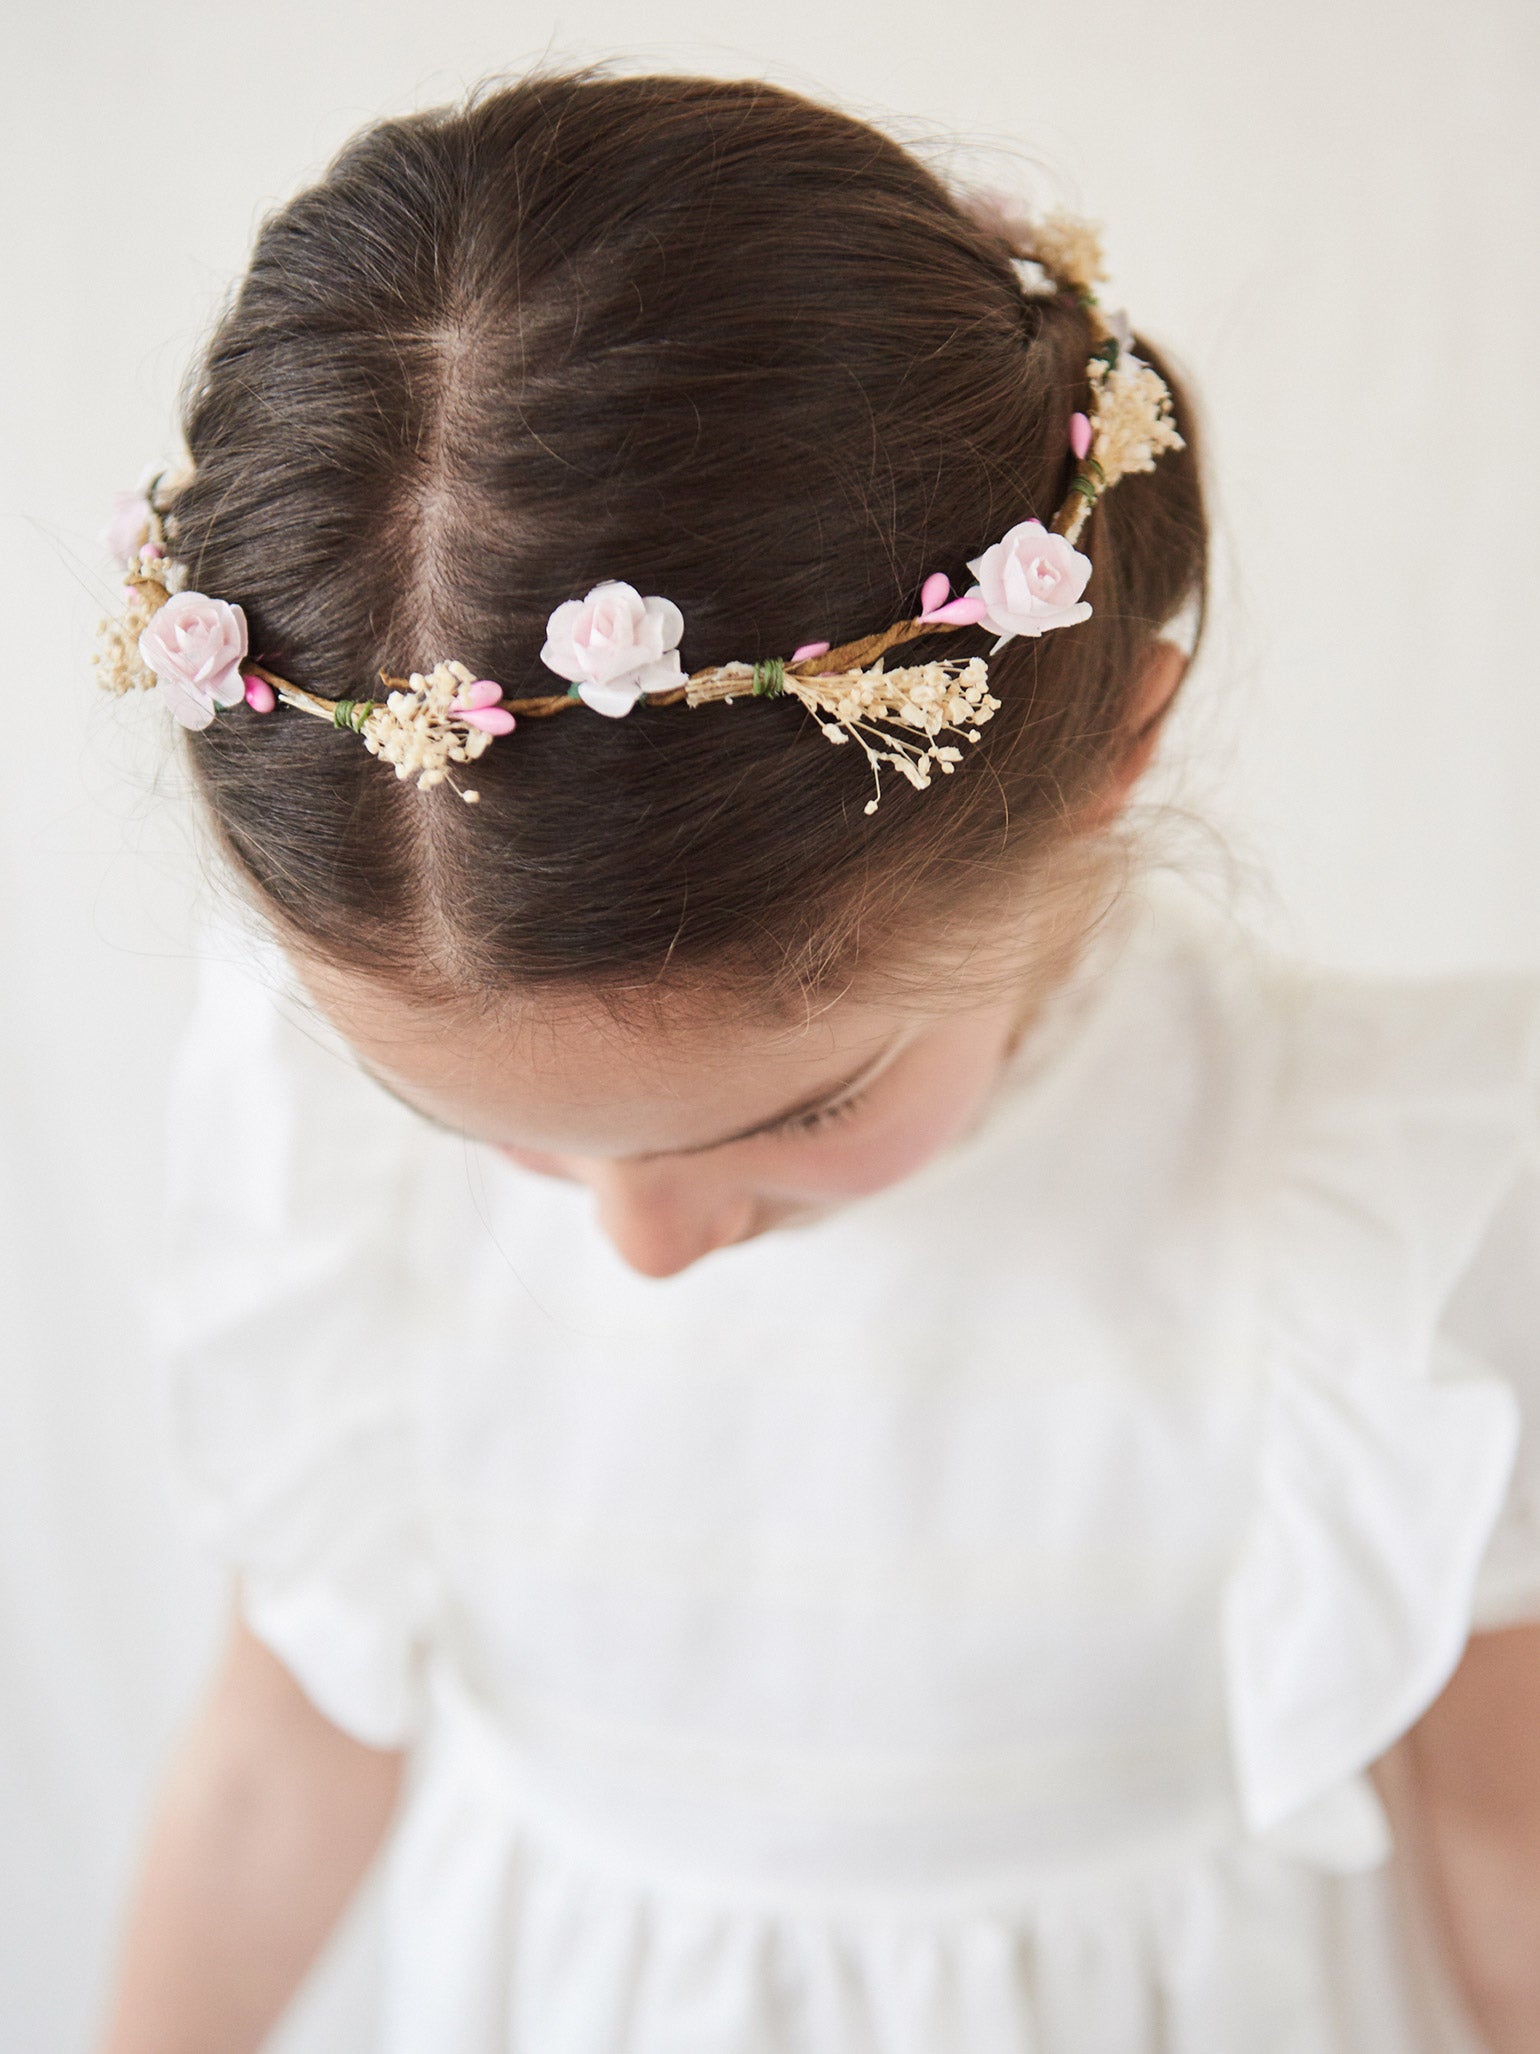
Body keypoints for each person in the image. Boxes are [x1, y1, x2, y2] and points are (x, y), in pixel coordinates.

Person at [93, 67, 1540, 2054]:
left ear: (1116, 744)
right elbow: (286, 1746)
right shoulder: (316, 1171)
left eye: (802, 1109)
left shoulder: (1368, 1219)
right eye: (477, 1132)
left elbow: (1501, 1851)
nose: (643, 1246)